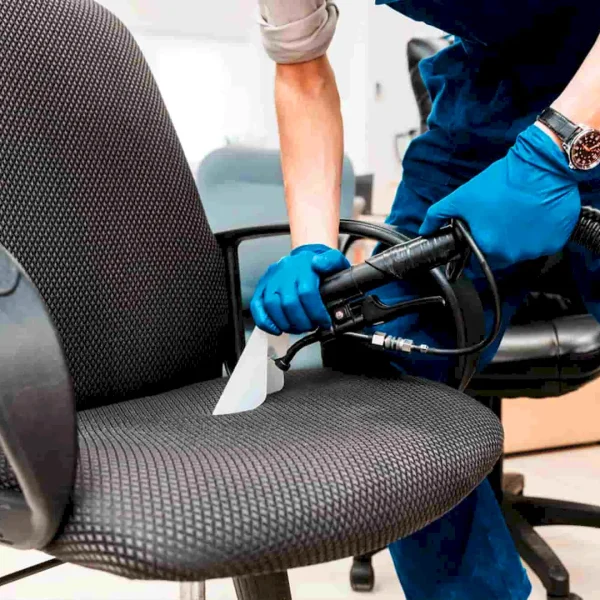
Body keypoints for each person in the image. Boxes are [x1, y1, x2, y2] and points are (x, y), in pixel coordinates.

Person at [251, 1, 600, 598]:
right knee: (382, 366)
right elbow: (302, 70)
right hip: (486, 104)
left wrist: (556, 146)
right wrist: (312, 244)